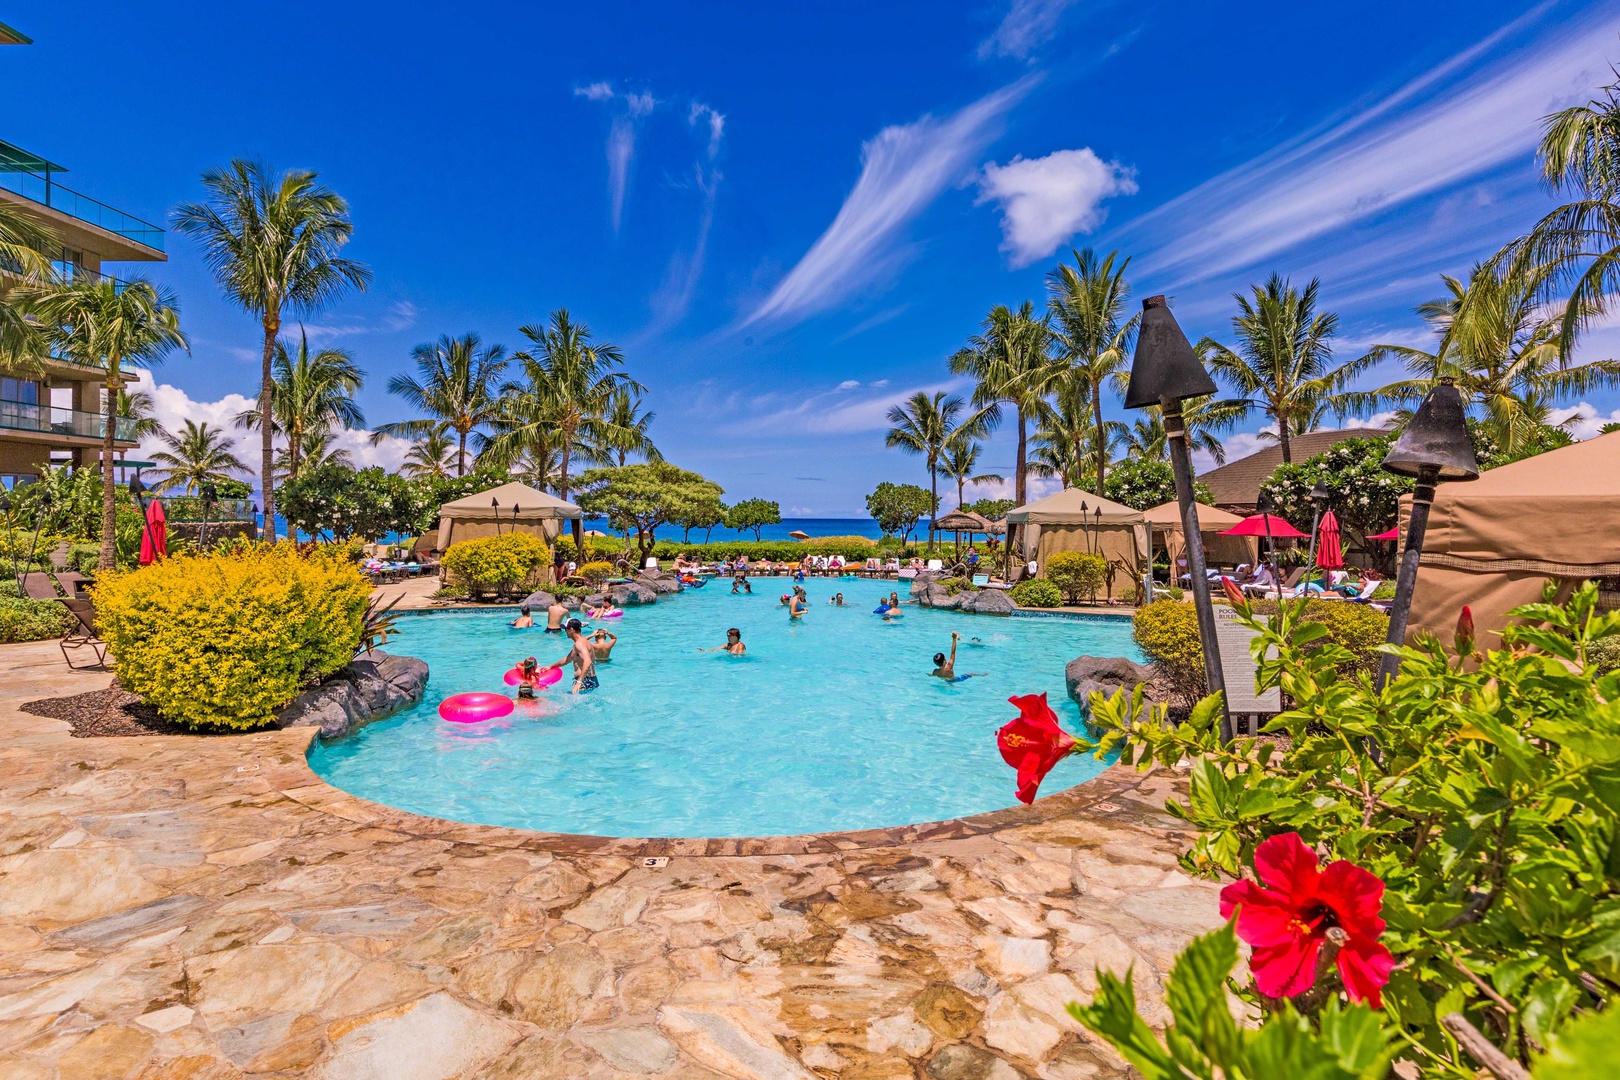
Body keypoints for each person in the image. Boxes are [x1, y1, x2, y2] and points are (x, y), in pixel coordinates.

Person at [541, 619, 599, 694]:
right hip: (592, 679)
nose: (565, 631)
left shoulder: (579, 644)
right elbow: (567, 659)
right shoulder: (584, 642)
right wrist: (551, 667)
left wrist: (579, 681)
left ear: (571, 629)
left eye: (566, 629)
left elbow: (588, 661)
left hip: (584, 681)